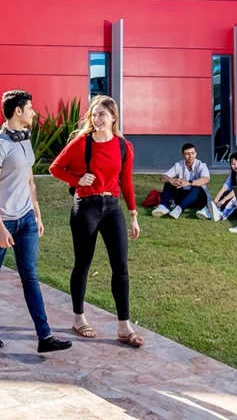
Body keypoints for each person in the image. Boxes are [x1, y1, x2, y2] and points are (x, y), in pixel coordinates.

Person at [0, 90, 72, 354]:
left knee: (30, 276)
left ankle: (45, 336)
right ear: (17, 111)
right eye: (30, 108)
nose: (33, 112)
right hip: (3, 221)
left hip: (26, 218)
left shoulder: (25, 138)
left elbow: (29, 180)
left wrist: (37, 213)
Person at [50, 95, 144, 349]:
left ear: (114, 117)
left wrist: (133, 214)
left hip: (112, 208)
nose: (97, 118)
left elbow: (127, 182)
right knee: (83, 263)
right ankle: (79, 318)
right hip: (86, 208)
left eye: (102, 114)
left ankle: (124, 326)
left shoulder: (124, 146)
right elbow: (56, 168)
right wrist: (77, 180)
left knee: (121, 266)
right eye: (94, 113)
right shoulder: (82, 142)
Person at [151, 143, 211, 218]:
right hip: (183, 196)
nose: (190, 156)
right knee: (169, 182)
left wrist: (188, 183)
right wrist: (170, 180)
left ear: (196, 153)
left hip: (199, 198)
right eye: (187, 154)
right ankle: (163, 206)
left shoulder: (201, 165)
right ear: (182, 155)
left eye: (192, 153)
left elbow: (206, 179)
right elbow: (163, 177)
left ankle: (179, 209)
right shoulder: (179, 165)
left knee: (196, 186)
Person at [199, 152, 237, 221]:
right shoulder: (233, 174)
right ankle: (210, 209)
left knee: (231, 197)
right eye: (233, 164)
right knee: (225, 193)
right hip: (234, 196)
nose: (236, 166)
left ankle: (219, 214)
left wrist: (223, 200)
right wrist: (215, 201)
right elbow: (225, 187)